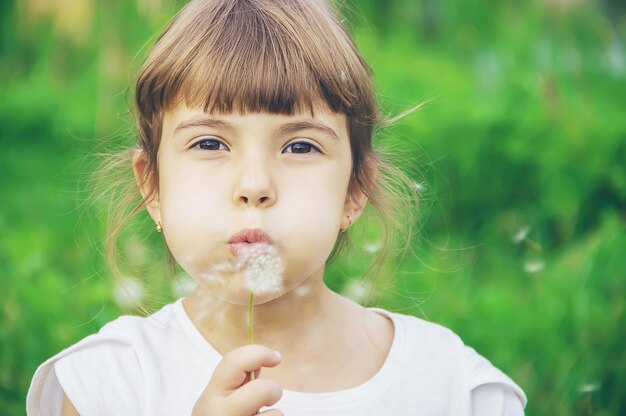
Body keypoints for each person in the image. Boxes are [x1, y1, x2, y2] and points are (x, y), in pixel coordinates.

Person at [27, 0, 527, 414]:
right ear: (152, 188)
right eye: (209, 143)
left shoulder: (452, 387)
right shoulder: (110, 384)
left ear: (354, 191)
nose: (255, 186)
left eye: (300, 147)